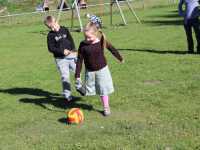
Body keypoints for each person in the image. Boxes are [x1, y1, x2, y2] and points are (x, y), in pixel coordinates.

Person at [75, 22, 124, 116]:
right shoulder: (83, 45)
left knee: (103, 89)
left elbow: (112, 49)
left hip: (102, 70)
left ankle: (106, 107)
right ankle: (81, 88)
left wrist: (120, 58)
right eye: (85, 37)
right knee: (88, 91)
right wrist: (77, 75)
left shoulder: (102, 41)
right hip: (90, 72)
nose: (87, 39)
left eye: (89, 37)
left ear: (95, 34)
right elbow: (79, 60)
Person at [44, 16, 78, 101]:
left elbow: (71, 40)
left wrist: (74, 50)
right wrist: (62, 51)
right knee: (65, 76)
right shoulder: (50, 35)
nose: (53, 28)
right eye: (50, 27)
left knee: (77, 71)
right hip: (60, 59)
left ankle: (79, 87)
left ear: (56, 21)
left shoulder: (64, 29)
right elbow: (51, 48)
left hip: (71, 56)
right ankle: (67, 95)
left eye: (54, 25)